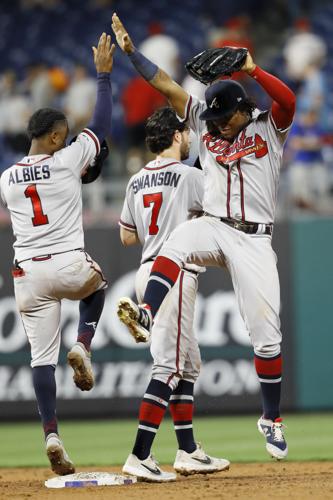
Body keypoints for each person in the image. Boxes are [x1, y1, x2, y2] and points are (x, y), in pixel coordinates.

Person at [112, 13, 296, 461]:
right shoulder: (208, 120)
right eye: (210, 119)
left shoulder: (267, 128)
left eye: (222, 117)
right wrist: (133, 54)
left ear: (240, 107)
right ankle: (147, 311)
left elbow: (287, 99)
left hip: (254, 239)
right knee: (176, 243)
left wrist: (252, 70)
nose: (214, 126)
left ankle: (270, 417)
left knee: (267, 339)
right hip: (213, 224)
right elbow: (168, 87)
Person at [0, 33, 114, 475]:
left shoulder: (8, 177)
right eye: (63, 136)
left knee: (40, 359)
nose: (68, 142)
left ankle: (51, 433)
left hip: (27, 274)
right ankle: (84, 345)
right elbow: (101, 129)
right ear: (52, 137)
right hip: (68, 263)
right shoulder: (66, 160)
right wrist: (103, 75)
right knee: (99, 284)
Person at [118, 106, 230, 481]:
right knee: (168, 366)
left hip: (145, 270)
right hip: (174, 274)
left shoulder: (135, 181)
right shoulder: (187, 175)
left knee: (188, 363)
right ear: (178, 136)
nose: (189, 138)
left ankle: (187, 451)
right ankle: (140, 455)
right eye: (186, 133)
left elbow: (126, 235)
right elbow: (219, 213)